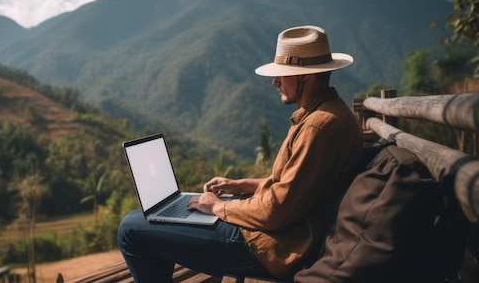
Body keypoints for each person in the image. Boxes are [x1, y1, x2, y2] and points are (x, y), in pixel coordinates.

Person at [117, 25, 364, 282]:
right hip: (281, 232)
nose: (275, 81)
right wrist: (238, 185)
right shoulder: (328, 114)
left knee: (131, 228)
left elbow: (277, 209)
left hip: (272, 245)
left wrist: (219, 207)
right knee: (152, 223)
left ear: (305, 77)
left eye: (282, 74)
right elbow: (294, 186)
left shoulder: (318, 127)